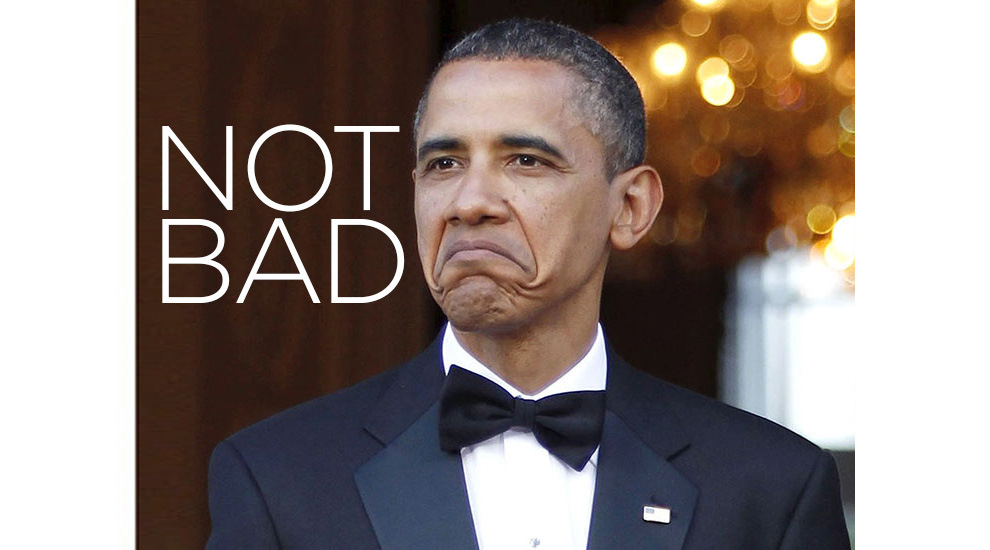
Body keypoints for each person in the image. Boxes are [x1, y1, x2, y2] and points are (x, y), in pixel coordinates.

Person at [206, 18, 850, 550]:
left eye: (525, 160)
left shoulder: (769, 490)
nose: (470, 202)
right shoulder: (278, 479)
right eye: (444, 163)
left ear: (630, 208)